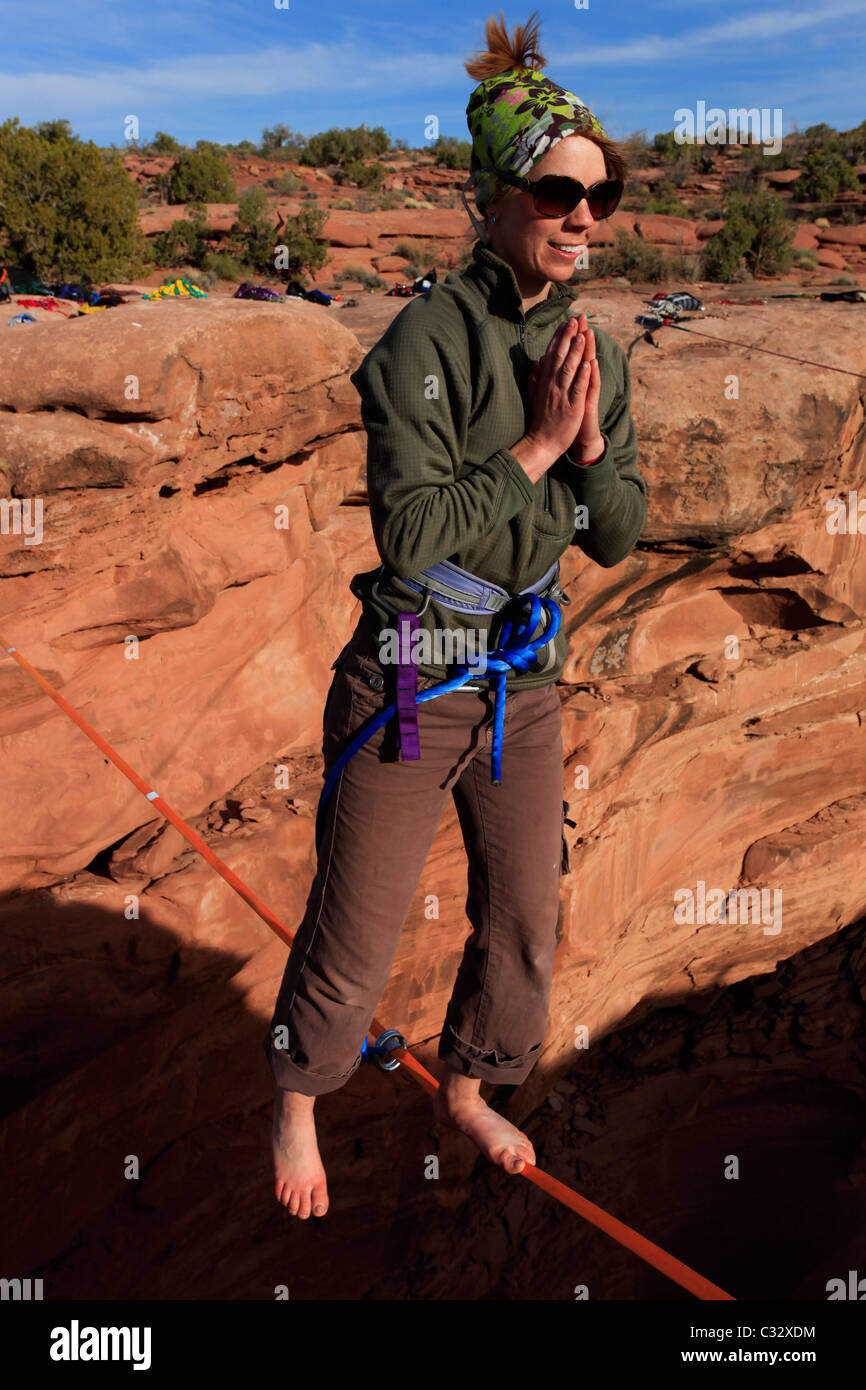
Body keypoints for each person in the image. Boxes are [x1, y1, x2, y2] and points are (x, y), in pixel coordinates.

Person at [264, 9, 648, 1220]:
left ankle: (470, 1081)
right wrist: (536, 446)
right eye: (556, 193)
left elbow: (621, 531)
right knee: (361, 920)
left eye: (600, 195)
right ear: (494, 197)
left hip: (521, 674)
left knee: (526, 909)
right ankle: (297, 1092)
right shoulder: (421, 342)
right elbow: (414, 536)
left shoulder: (597, 346)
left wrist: (586, 450)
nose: (582, 217)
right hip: (416, 665)